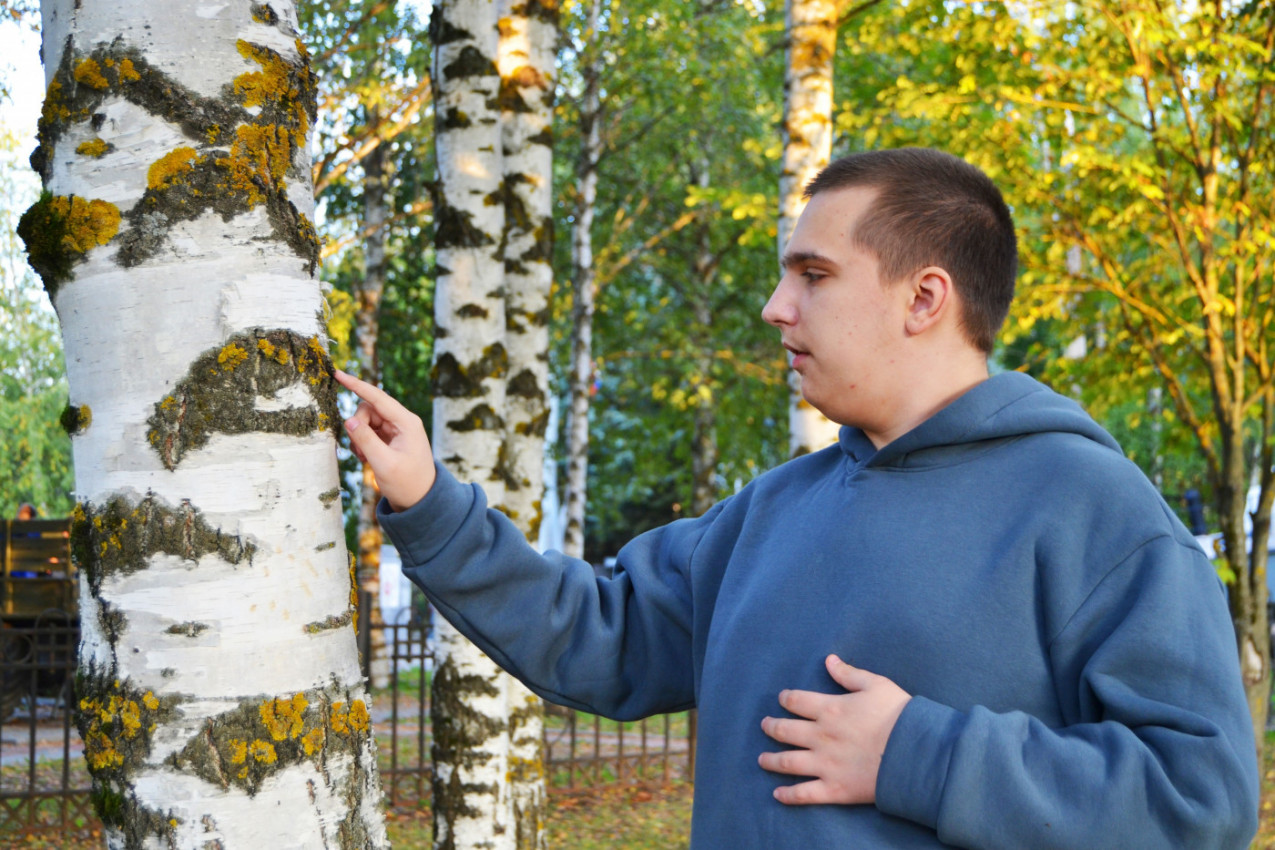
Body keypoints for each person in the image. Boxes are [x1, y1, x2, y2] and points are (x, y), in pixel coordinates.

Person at [335, 148, 1258, 848]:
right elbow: (602, 632)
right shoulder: (772, 510)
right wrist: (428, 500)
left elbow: (1199, 796)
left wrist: (917, 756)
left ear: (924, 298)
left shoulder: (1093, 508)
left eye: (812, 275)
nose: (777, 307)